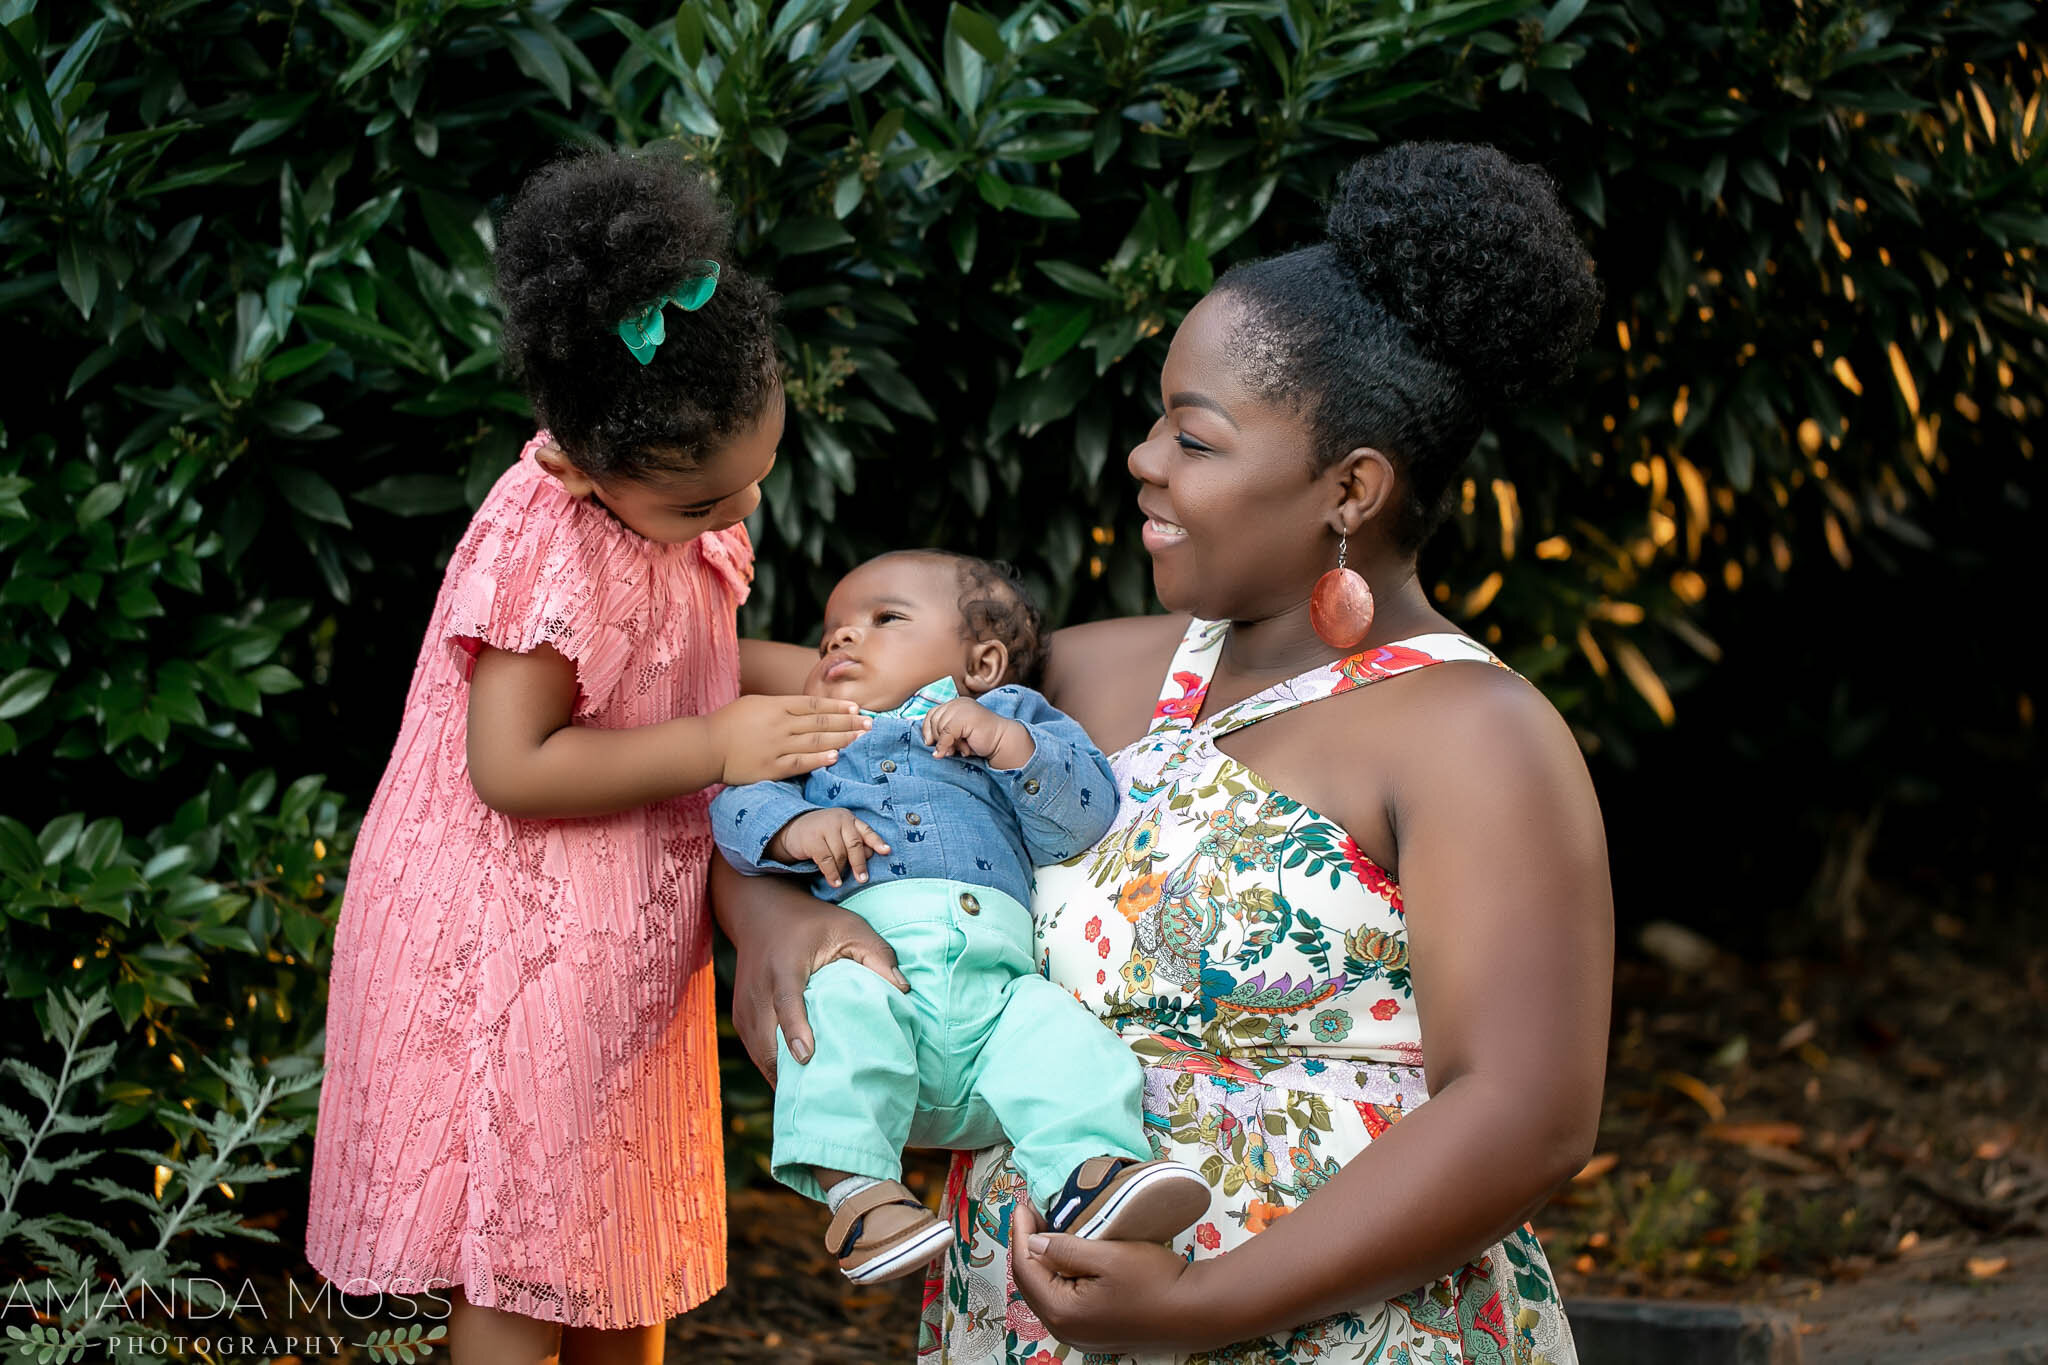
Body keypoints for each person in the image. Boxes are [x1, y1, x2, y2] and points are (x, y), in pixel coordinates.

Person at [716, 141, 1612, 1364]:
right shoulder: (1088, 673)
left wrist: (1199, 1307)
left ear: (1349, 488)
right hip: (1026, 1321)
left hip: (1341, 1335)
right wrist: (770, 914)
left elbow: (1523, 1117)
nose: (1141, 457)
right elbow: (730, 721)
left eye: (1194, 439)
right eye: (1157, 422)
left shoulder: (1476, 736)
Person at [304, 147, 873, 1365]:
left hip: (612, 928)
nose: (734, 519)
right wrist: (720, 742)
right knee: (522, 1229)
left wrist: (833, 682)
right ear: (574, 457)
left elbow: (683, 657)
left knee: (613, 1226)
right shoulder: (551, 547)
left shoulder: (672, 494)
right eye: (704, 506)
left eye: (753, 485)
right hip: (508, 934)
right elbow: (511, 765)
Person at [710, 551, 1209, 1286]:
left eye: (883, 620)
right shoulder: (813, 735)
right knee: (839, 1010)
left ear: (982, 661)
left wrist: (1013, 747)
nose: (842, 640)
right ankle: (863, 1199)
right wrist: (793, 826)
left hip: (997, 998)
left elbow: (1080, 815)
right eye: (829, 636)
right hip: (879, 972)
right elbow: (735, 799)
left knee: (1062, 1036)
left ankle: (1089, 1174)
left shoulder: (1012, 718)